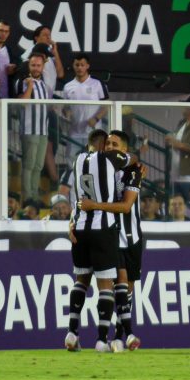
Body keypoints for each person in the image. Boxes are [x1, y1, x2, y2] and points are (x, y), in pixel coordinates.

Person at [64, 129, 135, 352]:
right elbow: (131, 159)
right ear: (103, 145)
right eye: (109, 144)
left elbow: (76, 198)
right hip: (102, 228)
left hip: (80, 228)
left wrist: (71, 222)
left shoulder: (77, 160)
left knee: (80, 280)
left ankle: (72, 333)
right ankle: (101, 340)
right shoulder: (109, 158)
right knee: (105, 285)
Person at [16, 52, 52, 204]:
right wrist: (30, 85)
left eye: (38, 65)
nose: (36, 68)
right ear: (28, 66)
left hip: (43, 129)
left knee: (38, 166)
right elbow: (22, 103)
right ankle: (28, 197)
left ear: (43, 67)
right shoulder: (22, 82)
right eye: (33, 65)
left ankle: (35, 195)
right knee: (29, 165)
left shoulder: (44, 84)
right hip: (29, 129)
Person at [61, 53, 108, 153]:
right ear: (73, 66)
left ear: (87, 66)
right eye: (77, 65)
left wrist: (96, 119)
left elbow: (106, 106)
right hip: (75, 132)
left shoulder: (97, 83)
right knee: (73, 161)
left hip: (94, 132)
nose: (79, 68)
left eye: (82, 65)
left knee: (94, 162)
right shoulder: (68, 86)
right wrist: (67, 112)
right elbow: (66, 107)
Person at [0, 20, 17, 98]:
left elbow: (19, 65)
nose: (3, 34)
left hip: (7, 97)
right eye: (1, 30)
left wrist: (14, 68)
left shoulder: (9, 50)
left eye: (6, 31)